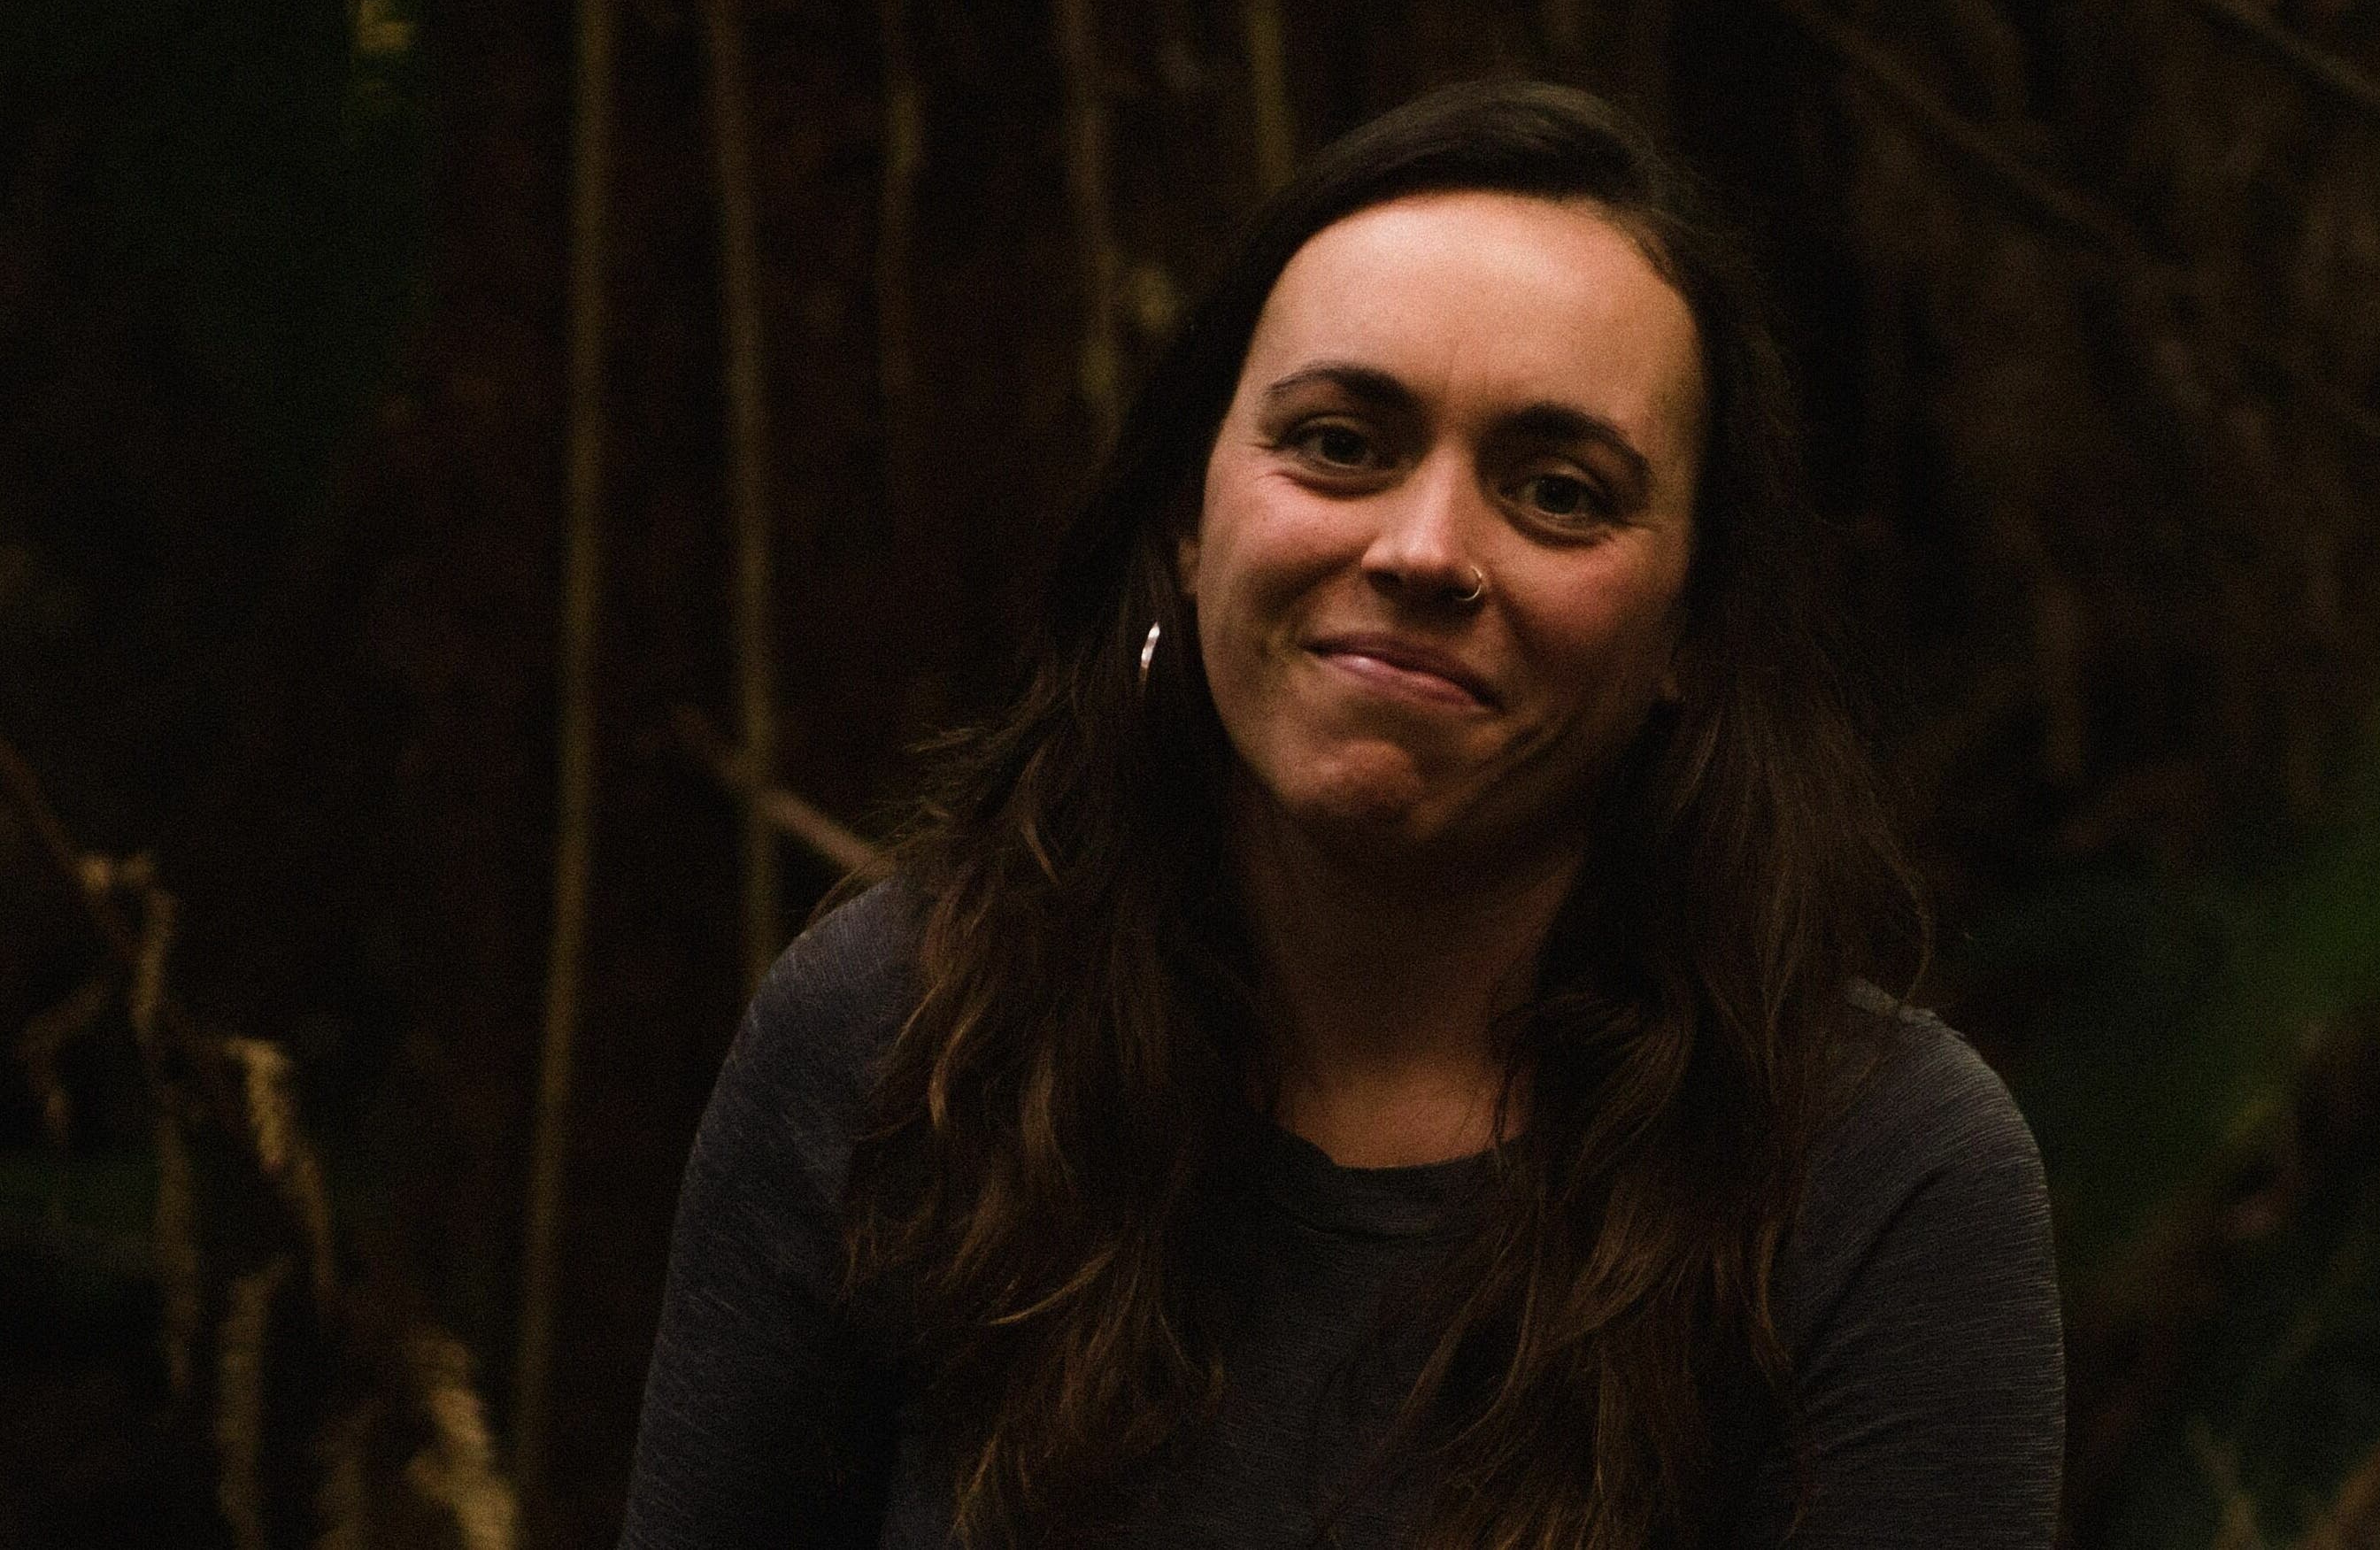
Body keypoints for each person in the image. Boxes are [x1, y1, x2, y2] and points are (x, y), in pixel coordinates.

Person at [619, 81, 2063, 1549]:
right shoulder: (903, 1041)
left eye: (1558, 491)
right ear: (1188, 521)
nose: (1423, 549)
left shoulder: (1874, 1174)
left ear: (1689, 626)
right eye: (1338, 442)